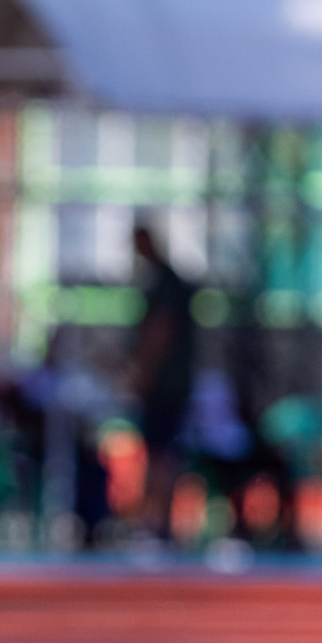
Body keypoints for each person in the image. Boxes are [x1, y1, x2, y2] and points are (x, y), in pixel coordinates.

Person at [127, 222, 197, 538]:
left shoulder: (164, 283)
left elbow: (161, 331)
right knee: (161, 453)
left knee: (161, 455)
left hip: (165, 386)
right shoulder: (161, 281)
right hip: (169, 383)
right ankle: (156, 519)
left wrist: (144, 373)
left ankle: (157, 520)